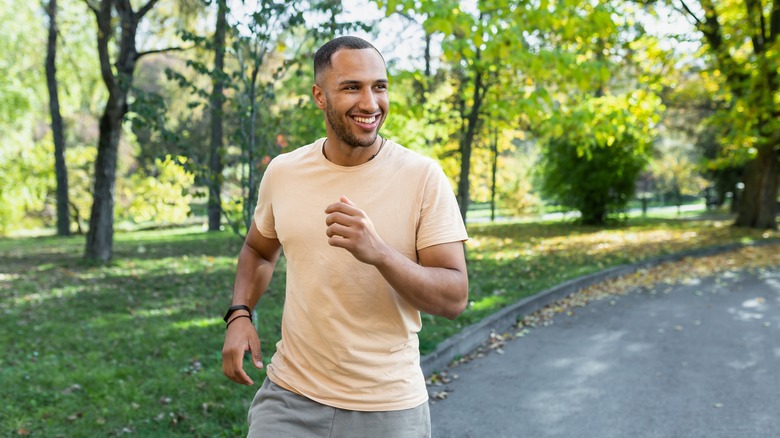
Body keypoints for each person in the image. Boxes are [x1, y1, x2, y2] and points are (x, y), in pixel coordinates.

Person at [221, 35, 469, 437]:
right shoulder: (284, 172)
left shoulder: (423, 177)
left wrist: (380, 253)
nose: (370, 103)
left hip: (388, 408)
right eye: (352, 87)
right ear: (320, 96)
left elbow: (454, 297)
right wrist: (239, 314)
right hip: (290, 397)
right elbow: (258, 250)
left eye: (379, 86)